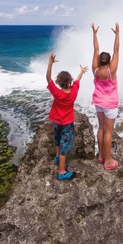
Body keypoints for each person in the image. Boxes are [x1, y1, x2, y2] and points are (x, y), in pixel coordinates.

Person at [46, 52, 88, 180]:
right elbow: (77, 80)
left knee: (58, 140)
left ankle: (57, 156)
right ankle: (62, 172)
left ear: (58, 82)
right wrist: (81, 71)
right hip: (67, 123)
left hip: (57, 122)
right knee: (65, 146)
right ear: (69, 81)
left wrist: (50, 64)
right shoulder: (74, 92)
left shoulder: (57, 93)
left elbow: (48, 78)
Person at [91, 22, 120, 170]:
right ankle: (108, 162)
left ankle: (101, 156)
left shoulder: (95, 70)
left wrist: (95, 34)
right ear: (109, 62)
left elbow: (96, 50)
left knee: (101, 128)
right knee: (108, 132)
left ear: (99, 61)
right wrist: (117, 34)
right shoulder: (111, 71)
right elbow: (116, 50)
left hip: (98, 103)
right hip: (110, 104)